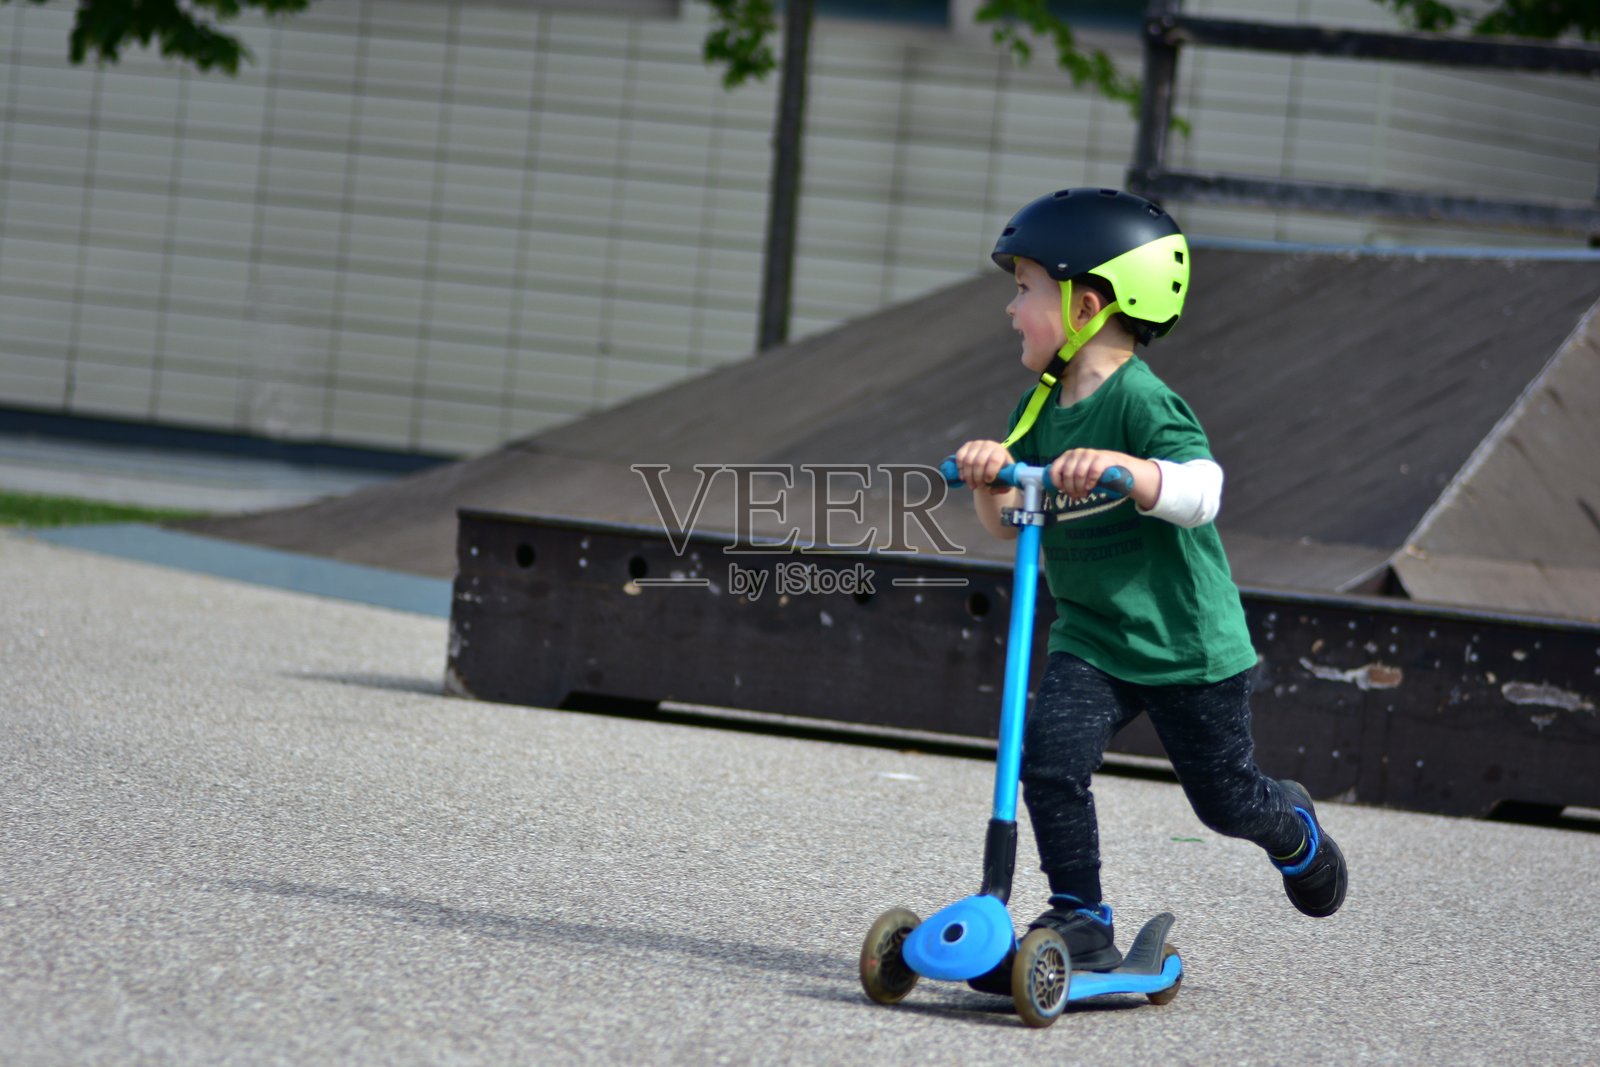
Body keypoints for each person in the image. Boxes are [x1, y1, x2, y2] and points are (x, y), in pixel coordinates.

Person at [953, 188, 1347, 980]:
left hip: (1186, 644)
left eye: (1024, 288)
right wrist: (988, 476)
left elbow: (1203, 490)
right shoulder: (1036, 407)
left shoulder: (1141, 398)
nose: (1010, 308)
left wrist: (1129, 471)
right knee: (1049, 762)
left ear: (1087, 302)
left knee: (1226, 802)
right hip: (1093, 635)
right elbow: (1008, 524)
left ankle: (1295, 828)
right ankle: (1082, 916)